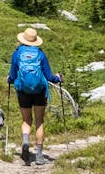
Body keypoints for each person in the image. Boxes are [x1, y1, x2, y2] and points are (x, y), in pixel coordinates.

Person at [7, 26, 63, 166]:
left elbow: (13, 75)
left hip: (23, 91)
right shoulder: (40, 54)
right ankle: (39, 156)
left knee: (26, 120)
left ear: (23, 39)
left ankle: (25, 141)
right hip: (39, 91)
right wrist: (58, 78)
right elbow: (49, 76)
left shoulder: (17, 53)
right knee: (39, 121)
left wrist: (10, 79)